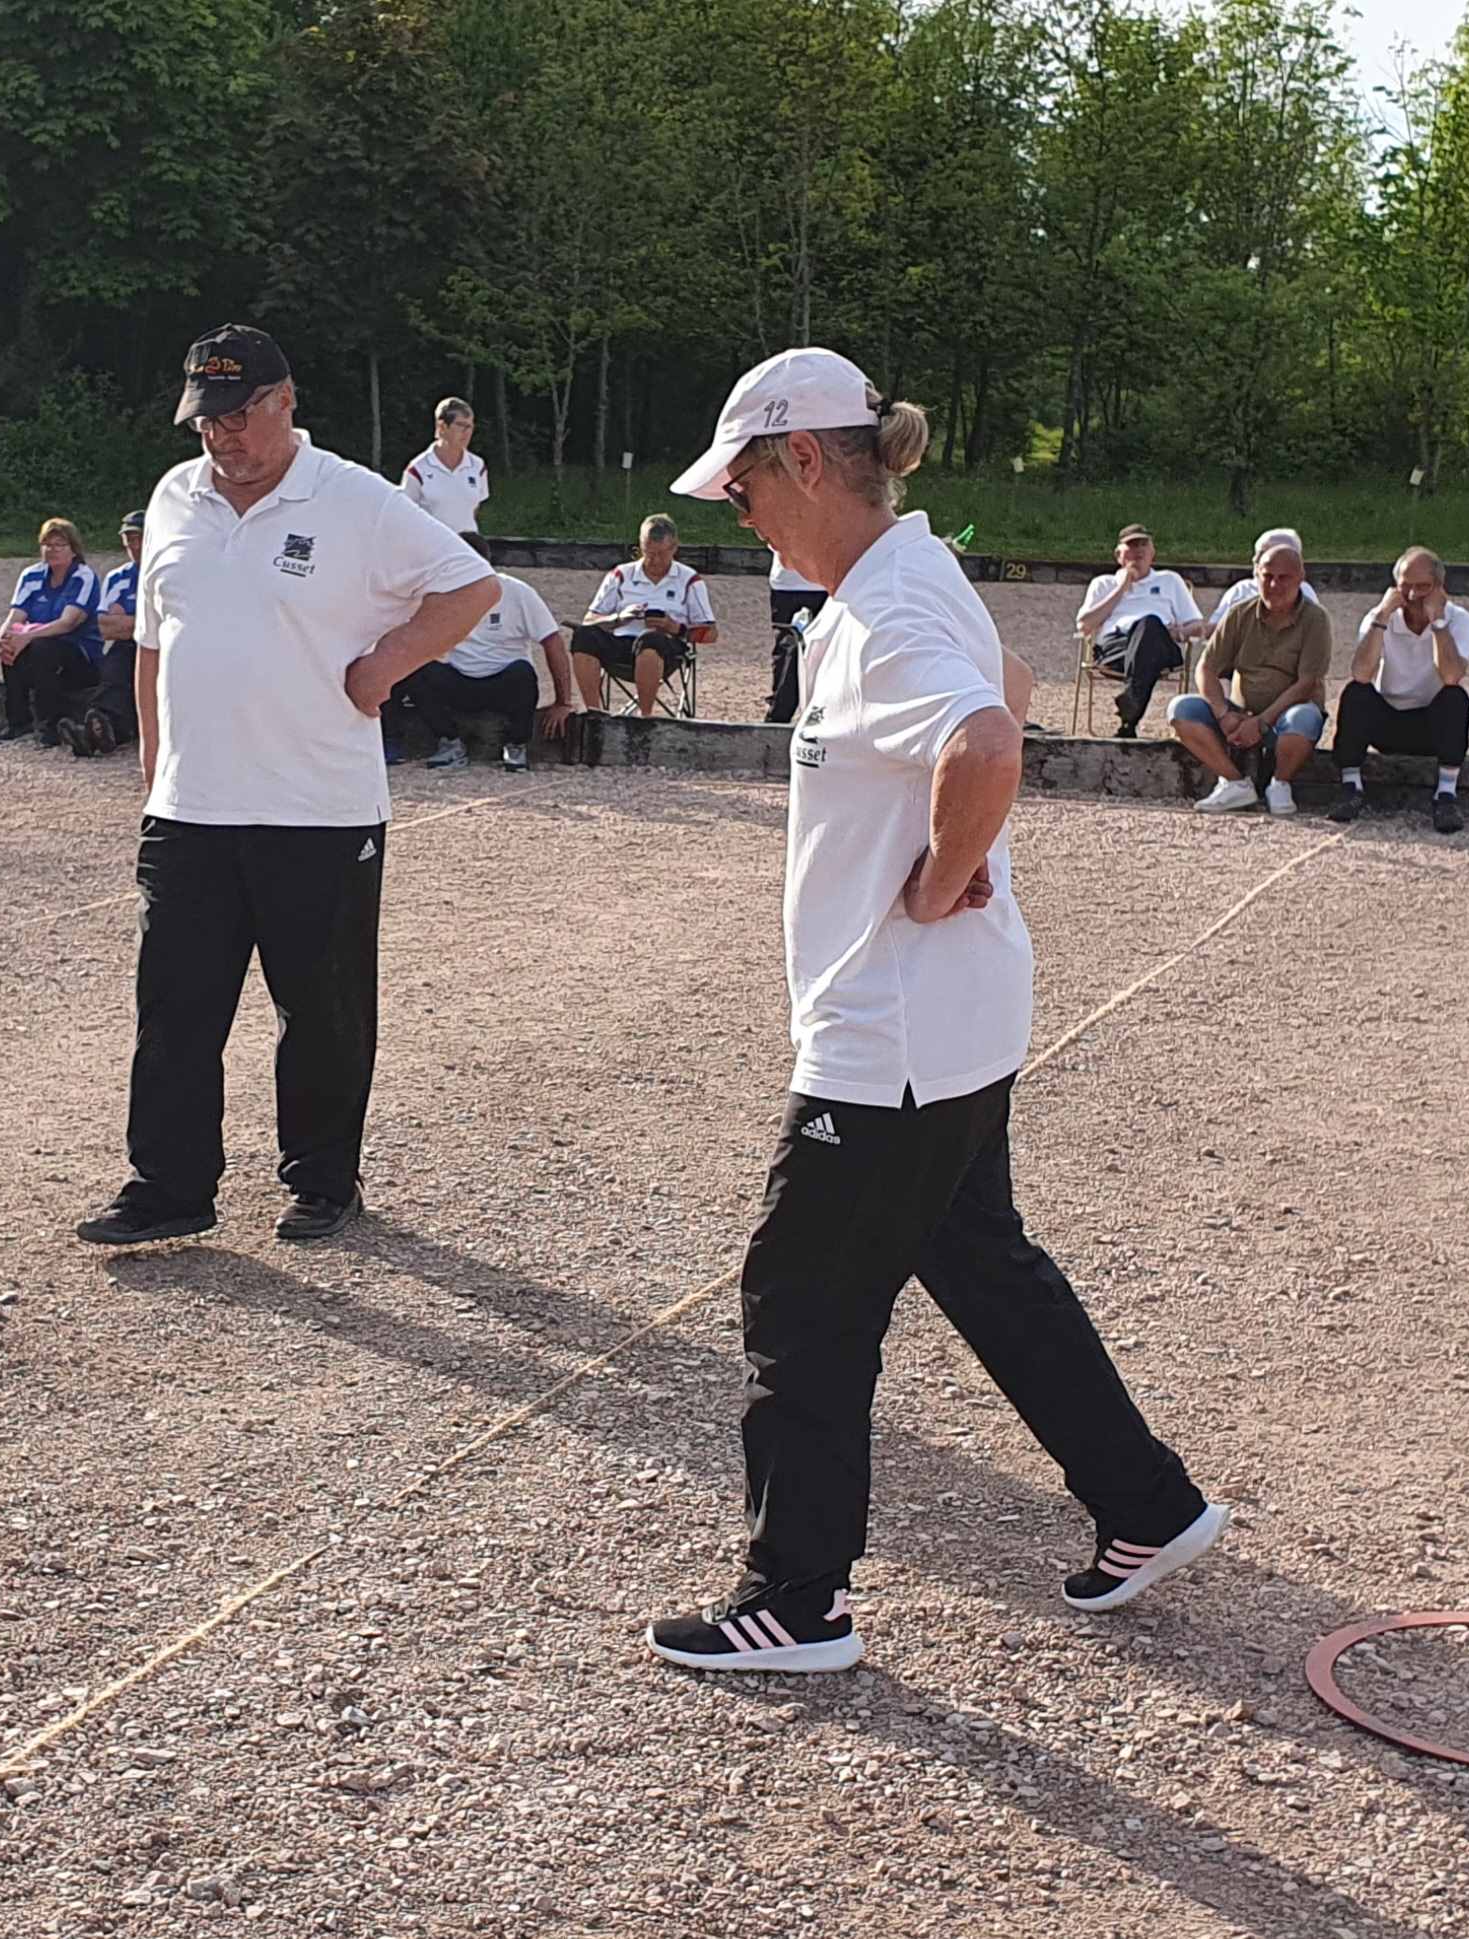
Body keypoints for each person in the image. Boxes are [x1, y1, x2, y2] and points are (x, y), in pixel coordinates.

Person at [645, 346, 1223, 1675]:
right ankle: (1144, 1502)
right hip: (954, 1022)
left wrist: (942, 868)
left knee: (798, 1295)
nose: (734, 509)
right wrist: (949, 862)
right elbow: (1006, 690)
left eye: (738, 483)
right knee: (974, 1259)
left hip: (887, 1035)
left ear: (801, 459)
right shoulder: (902, 575)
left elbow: (989, 737)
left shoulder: (882, 609)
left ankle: (793, 1599)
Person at [75, 324, 497, 1249]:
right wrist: (155, 771)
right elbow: (153, 644)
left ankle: (322, 1180)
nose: (219, 437)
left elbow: (470, 587)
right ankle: (168, 1186)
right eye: (203, 421)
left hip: (317, 808)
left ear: (284, 402)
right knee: (175, 1009)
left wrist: (384, 665)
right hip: (191, 810)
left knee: (321, 1011)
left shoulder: (354, 498)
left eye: (235, 416)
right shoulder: (174, 496)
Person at [1167, 532, 1332, 815]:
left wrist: (1262, 722)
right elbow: (1206, 667)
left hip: (1286, 716)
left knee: (1305, 718)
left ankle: (1280, 783)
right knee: (1181, 709)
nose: (1274, 585)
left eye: (1284, 578)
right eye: (1267, 576)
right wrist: (1223, 713)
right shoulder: (1239, 614)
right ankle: (1233, 782)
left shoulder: (1316, 619)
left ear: (1300, 577)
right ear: (1256, 574)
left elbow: (1307, 682)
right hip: (1240, 713)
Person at [1329, 547, 1469, 833]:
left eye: (1423, 587)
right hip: (1388, 719)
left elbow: (1451, 675)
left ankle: (1446, 793)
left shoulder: (1461, 620)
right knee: (1355, 693)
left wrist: (1439, 624)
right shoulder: (1379, 616)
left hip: (1432, 725)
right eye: (1406, 586)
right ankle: (1351, 787)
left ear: (1438, 588)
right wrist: (1382, 617)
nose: (1412, 596)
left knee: (1456, 698)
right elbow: (1360, 672)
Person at [390, 572, 579, 773]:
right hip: (457, 679)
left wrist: (563, 702)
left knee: (522, 673)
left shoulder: (518, 592)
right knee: (418, 670)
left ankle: (516, 745)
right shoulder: (438, 592)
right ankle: (449, 741)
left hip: (503, 682)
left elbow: (552, 642)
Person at [568, 514, 714, 718]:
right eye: (647, 553)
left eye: (661, 554)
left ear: (674, 547)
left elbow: (711, 633)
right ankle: (595, 715)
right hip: (621, 643)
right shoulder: (621, 574)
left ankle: (644, 717)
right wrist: (619, 618)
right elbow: (590, 620)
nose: (654, 560)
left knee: (650, 639)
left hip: (666, 649)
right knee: (583, 636)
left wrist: (673, 627)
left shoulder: (689, 580)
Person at [1077, 524, 1209, 737]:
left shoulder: (1169, 580)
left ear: (1152, 552)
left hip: (1161, 644)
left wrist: (1174, 633)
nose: (1138, 550)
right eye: (1131, 545)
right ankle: (1129, 720)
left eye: (1143, 544)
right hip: (1115, 649)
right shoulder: (1104, 583)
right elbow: (1084, 625)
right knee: (1145, 638)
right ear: (1118, 555)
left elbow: (1196, 625)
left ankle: (1131, 702)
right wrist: (1122, 588)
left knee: (1149, 625)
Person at [0, 518, 101, 746]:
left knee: (42, 649)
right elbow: (16, 616)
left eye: (59, 545)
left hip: (79, 654)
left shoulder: (83, 576)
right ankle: (17, 721)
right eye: (47, 544)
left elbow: (68, 623)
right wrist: (4, 636)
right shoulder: (31, 575)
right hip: (39, 645)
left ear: (73, 549)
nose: (52, 550)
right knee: (11, 643)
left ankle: (48, 725)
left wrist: (28, 636)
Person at [60, 510, 146, 758]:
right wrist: (142, 621)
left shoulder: (171, 572)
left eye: (138, 538)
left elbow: (170, 624)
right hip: (127, 646)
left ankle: (95, 729)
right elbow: (106, 627)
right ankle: (102, 729)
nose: (134, 545)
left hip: (161, 647)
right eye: (129, 539)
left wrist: (126, 621)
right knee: (115, 665)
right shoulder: (117, 577)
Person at [402, 398, 491, 557]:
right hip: (431, 553)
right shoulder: (418, 468)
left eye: (470, 426)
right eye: (460, 425)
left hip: (469, 553)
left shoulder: (478, 466)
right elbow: (405, 514)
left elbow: (474, 507)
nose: (467, 432)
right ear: (442, 427)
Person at [1207, 526, 1324, 628]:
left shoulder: (1302, 592)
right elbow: (1214, 631)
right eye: (1257, 553)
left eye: (1263, 553)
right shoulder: (1240, 590)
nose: (1255, 559)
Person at [764, 548, 827, 724]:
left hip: (790, 582)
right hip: (821, 579)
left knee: (787, 646)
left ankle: (779, 713)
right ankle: (821, 711)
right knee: (827, 644)